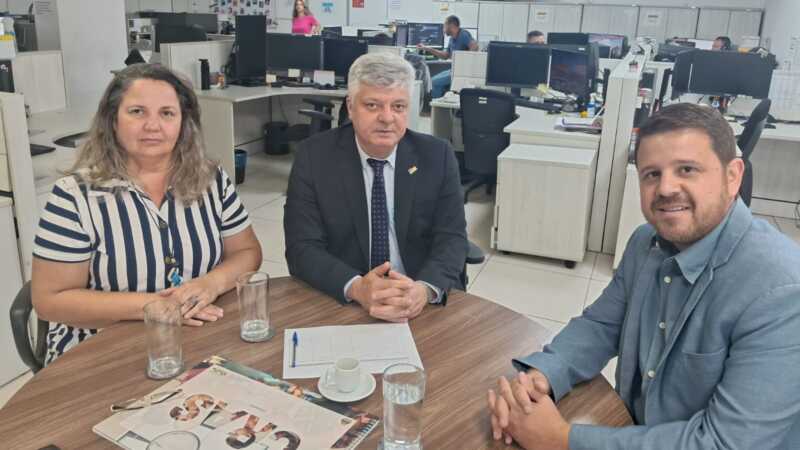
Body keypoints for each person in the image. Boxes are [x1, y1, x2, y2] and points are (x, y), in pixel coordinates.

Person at [487, 103, 800, 449]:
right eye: (651, 174)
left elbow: (725, 443)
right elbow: (602, 325)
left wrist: (561, 440)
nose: (665, 188)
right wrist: (545, 373)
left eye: (686, 169)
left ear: (733, 176)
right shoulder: (645, 242)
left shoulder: (783, 291)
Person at [31, 64, 262, 364]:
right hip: (100, 352)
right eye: (137, 112)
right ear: (112, 120)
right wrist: (154, 306)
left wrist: (211, 283)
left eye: (167, 113)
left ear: (183, 124)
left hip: (195, 338)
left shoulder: (211, 180)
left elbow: (247, 252)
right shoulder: (74, 196)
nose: (153, 125)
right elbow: (50, 300)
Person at [284, 52, 467, 322]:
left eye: (398, 106)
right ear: (350, 107)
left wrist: (424, 290)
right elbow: (301, 247)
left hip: (417, 297)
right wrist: (357, 287)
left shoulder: (437, 155)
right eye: (372, 105)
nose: (387, 118)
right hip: (344, 299)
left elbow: (452, 238)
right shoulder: (314, 156)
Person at [417, 15, 478, 98]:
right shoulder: (452, 39)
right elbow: (445, 56)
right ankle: (439, 102)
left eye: (444, 26)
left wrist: (465, 66)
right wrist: (427, 48)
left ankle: (436, 103)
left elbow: (475, 46)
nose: (443, 29)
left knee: (434, 82)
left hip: (460, 72)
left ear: (451, 26)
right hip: (453, 70)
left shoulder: (463, 34)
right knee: (433, 80)